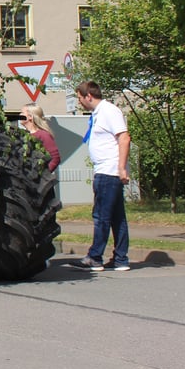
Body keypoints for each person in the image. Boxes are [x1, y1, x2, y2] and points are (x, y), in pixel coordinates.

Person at [72, 81, 131, 272]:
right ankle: (120, 259)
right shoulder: (99, 113)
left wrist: (121, 168)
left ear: (88, 95)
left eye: (79, 98)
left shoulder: (109, 111)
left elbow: (124, 138)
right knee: (116, 217)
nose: (79, 102)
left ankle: (95, 257)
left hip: (109, 172)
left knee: (101, 216)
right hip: (105, 170)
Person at [18, 104, 61, 172]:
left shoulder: (43, 135)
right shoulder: (23, 135)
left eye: (22, 112)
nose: (19, 115)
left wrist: (43, 176)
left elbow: (55, 158)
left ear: (30, 117)